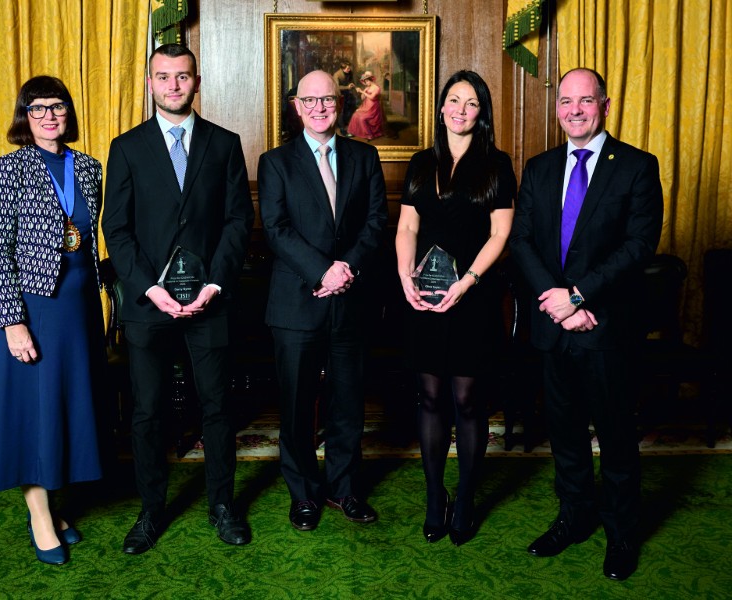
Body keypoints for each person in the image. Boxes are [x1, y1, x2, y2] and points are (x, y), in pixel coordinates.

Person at [509, 68, 663, 581]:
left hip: (605, 325)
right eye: (566, 101)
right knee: (565, 432)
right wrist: (557, 304)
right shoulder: (539, 167)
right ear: (557, 108)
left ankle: (620, 531)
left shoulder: (637, 167)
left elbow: (639, 246)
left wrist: (579, 295)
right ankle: (574, 517)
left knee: (616, 435)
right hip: (554, 325)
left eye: (586, 101)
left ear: (605, 104)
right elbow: (522, 241)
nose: (575, 110)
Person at [102, 43, 254, 554]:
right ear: (150, 83)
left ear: (196, 81)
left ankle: (222, 505)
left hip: (210, 301)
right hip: (149, 306)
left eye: (182, 76)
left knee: (217, 407)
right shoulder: (126, 147)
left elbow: (238, 220)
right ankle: (151, 509)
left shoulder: (225, 143)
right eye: (163, 77)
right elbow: (115, 229)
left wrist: (214, 283)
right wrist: (149, 288)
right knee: (147, 411)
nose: (173, 85)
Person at [0, 76, 105, 565]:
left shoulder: (88, 167)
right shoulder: (9, 167)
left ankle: (53, 504)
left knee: (62, 409)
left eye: (57, 106)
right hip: (30, 307)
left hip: (76, 308)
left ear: (69, 111)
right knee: (32, 413)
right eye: (38, 108)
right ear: (24, 116)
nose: (49, 115)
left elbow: (86, 240)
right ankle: (40, 516)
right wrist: (12, 321)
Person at [257, 70, 388, 531]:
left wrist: (345, 268)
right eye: (310, 100)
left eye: (327, 99)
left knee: (348, 403)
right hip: (296, 303)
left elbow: (376, 223)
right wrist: (322, 270)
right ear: (296, 105)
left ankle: (344, 489)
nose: (319, 107)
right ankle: (304, 495)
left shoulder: (363, 156)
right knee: (296, 405)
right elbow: (275, 229)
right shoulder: (275, 162)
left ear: (340, 103)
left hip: (351, 301)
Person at [395, 70, 516, 546]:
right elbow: (407, 227)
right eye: (453, 100)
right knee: (428, 397)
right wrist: (405, 276)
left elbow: (501, 233)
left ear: (481, 112)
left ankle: (464, 497)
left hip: (472, 297)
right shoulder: (422, 163)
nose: (461, 109)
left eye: (471, 102)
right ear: (441, 106)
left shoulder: (497, 163)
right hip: (423, 296)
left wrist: (468, 281)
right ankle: (434, 496)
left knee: (466, 400)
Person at [348, 71, 385, 141]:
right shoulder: (367, 88)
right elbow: (362, 98)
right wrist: (360, 92)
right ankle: (353, 132)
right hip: (366, 107)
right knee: (355, 115)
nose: (365, 83)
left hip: (373, 109)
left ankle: (369, 135)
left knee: (362, 118)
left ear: (371, 80)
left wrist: (362, 92)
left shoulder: (376, 88)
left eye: (366, 81)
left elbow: (372, 97)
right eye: (365, 81)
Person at [332, 61, 356, 137]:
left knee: (350, 109)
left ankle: (349, 126)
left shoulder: (350, 72)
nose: (349, 69)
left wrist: (352, 84)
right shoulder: (337, 75)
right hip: (340, 95)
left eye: (349, 68)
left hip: (348, 94)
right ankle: (343, 130)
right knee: (341, 111)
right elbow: (337, 87)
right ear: (343, 69)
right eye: (348, 68)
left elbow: (350, 81)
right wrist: (347, 87)